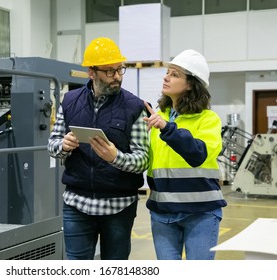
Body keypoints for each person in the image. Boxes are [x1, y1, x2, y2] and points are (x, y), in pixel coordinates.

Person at [47, 37, 149, 260]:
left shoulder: (134, 106)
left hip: (119, 206)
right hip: (77, 203)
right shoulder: (70, 101)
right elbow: (52, 145)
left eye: (120, 70)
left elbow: (143, 159)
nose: (117, 77)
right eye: (110, 72)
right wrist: (64, 145)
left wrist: (116, 157)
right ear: (91, 73)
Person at [143, 49, 227, 260]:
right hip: (162, 214)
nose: (166, 77)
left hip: (201, 214)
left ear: (191, 84)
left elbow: (199, 153)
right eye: (167, 72)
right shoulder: (157, 117)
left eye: (174, 74)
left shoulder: (208, 119)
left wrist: (167, 128)